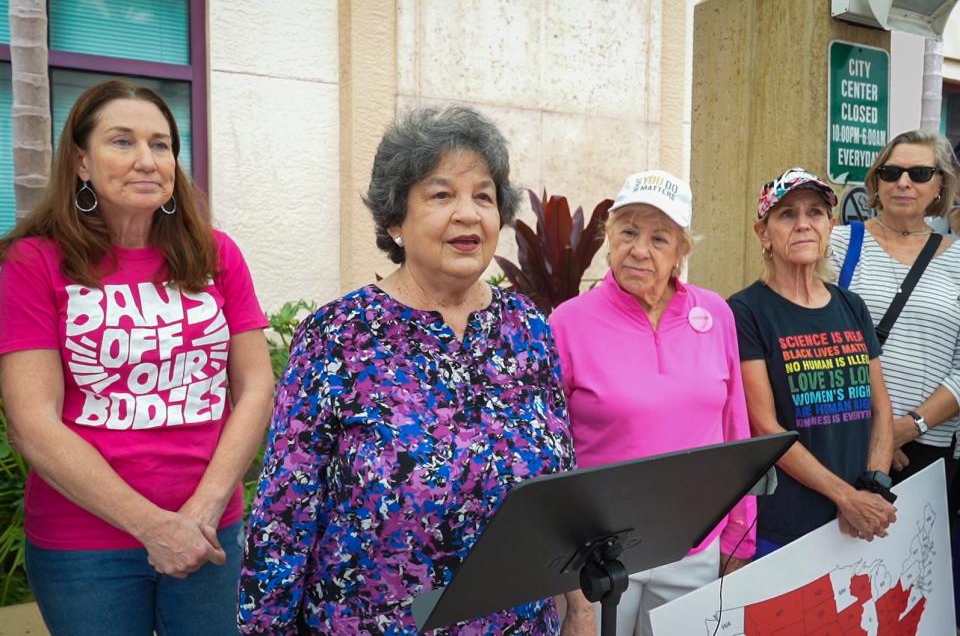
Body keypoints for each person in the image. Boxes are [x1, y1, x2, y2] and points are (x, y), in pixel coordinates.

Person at [238, 106, 589, 635]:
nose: (468, 214)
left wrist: (580, 611)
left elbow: (556, 489)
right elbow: (284, 515)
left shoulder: (527, 329)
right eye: (442, 194)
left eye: (484, 196)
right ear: (395, 220)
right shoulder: (338, 336)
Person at [0, 80, 274, 635]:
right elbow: (32, 424)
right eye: (122, 142)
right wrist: (152, 526)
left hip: (209, 535)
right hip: (86, 547)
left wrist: (200, 514)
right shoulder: (34, 262)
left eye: (161, 144)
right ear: (81, 162)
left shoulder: (216, 255)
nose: (147, 160)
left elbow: (255, 389)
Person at [549, 170, 756, 636]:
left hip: (694, 545)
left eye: (659, 238)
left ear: (682, 252)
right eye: (628, 232)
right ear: (608, 239)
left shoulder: (716, 314)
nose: (640, 249)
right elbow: (548, 448)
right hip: (599, 552)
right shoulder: (568, 323)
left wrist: (741, 533)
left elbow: (734, 427)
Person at [729, 167, 897, 558]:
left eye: (815, 213)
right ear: (763, 233)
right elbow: (765, 428)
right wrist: (846, 497)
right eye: (787, 214)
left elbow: (881, 408)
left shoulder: (851, 306)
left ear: (830, 226)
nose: (803, 224)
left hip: (855, 523)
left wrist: (872, 488)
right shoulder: (746, 312)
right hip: (785, 527)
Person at [828, 131, 960, 505]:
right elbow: (820, 339)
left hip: (926, 447)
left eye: (919, 173)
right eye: (891, 172)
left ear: (939, 184)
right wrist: (878, 430)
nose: (903, 182)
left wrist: (907, 427)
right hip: (849, 440)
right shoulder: (840, 244)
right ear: (876, 181)